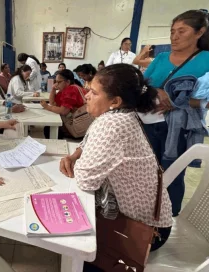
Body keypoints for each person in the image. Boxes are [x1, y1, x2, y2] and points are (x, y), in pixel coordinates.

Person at [60, 65, 173, 272]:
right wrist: (76, 154)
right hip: (148, 217)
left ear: (115, 101)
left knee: (83, 250)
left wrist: (79, 162)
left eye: (94, 92)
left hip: (145, 230)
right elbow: (88, 141)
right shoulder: (121, 114)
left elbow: (86, 180)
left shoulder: (113, 124)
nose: (86, 95)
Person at [141, 9, 209, 216]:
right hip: (148, 125)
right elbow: (141, 85)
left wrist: (190, 103)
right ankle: (143, 216)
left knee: (172, 175)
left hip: (180, 129)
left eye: (182, 31)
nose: (174, 36)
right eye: (172, 31)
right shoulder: (161, 58)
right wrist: (158, 90)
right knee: (145, 172)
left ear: (199, 32)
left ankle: (167, 221)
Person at [40, 69, 87, 139]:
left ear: (68, 82)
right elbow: (53, 103)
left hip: (78, 126)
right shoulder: (66, 89)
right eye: (55, 82)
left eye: (59, 82)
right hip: (77, 121)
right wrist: (53, 89)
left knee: (49, 129)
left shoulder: (71, 90)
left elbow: (63, 111)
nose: (56, 84)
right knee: (50, 126)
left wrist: (47, 107)